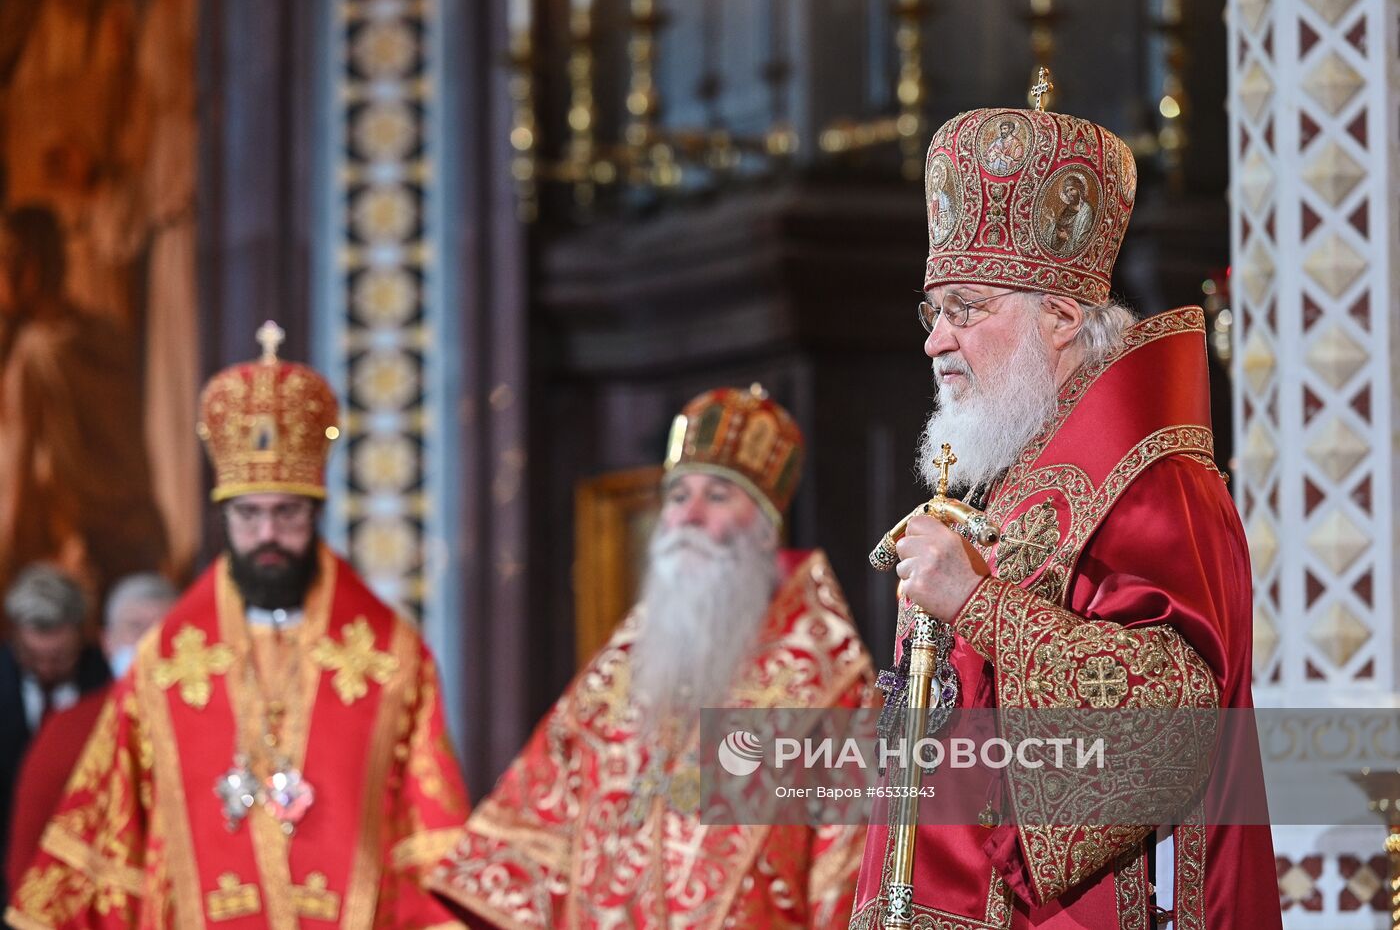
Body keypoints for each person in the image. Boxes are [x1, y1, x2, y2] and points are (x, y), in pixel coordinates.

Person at [846, 100, 1282, 927]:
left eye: (967, 308)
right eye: (932, 311)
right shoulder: (1002, 485)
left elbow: (1172, 724)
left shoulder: (1155, 482)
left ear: (1061, 315)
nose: (938, 339)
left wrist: (975, 603)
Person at [6, 322, 470, 929]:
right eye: (248, 516)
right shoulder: (164, 664)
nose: (267, 535)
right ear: (225, 515)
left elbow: (427, 829)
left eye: (288, 514)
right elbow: (110, 824)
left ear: (316, 512)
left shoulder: (392, 657)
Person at [431, 386, 875, 929]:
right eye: (678, 494)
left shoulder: (828, 682)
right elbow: (529, 842)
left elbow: (851, 874)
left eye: (716, 496)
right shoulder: (621, 668)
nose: (689, 515)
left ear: (764, 529)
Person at [0, 205, 168, 609]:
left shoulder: (36, 354)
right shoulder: (108, 332)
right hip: (138, 528)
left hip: (81, 540)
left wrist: (6, 556)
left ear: (30, 269)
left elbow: (18, 470)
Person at [5, 572, 176, 894]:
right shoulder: (73, 724)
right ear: (108, 640)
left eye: (164, 627)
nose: (150, 641)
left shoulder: (224, 723)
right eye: (136, 627)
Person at [0, 564, 110, 908]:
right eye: (33, 657)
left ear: (82, 635)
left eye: (58, 658)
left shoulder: (107, 686)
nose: (46, 668)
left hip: (84, 869)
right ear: (15, 637)